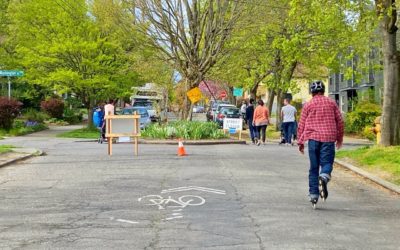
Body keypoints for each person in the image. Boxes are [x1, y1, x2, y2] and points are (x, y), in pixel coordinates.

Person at [297, 80, 344, 206]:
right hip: (328, 138)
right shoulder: (331, 103)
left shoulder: (308, 104)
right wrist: (339, 138)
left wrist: (300, 142)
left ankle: (313, 195)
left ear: (312, 92)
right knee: (327, 163)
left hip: (313, 139)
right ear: (323, 91)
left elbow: (301, 124)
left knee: (313, 167)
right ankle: (324, 177)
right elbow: (340, 121)